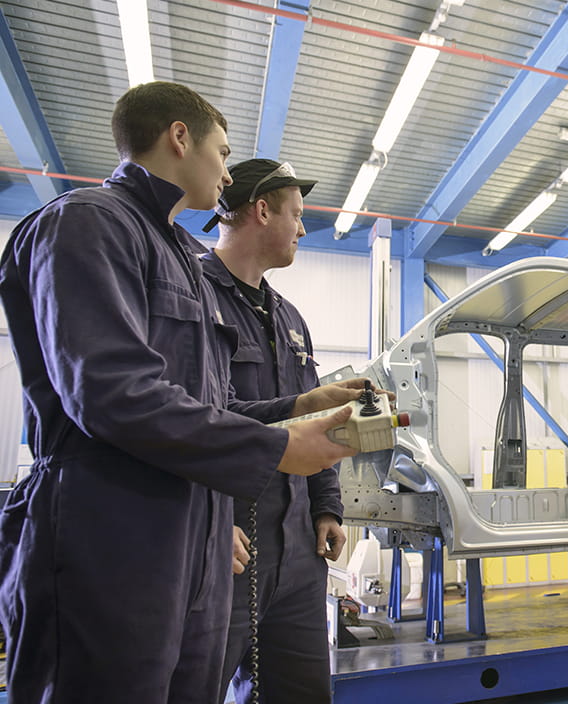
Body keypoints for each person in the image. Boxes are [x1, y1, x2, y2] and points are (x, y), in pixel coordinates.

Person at [0, 82, 361, 703]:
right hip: (108, 534)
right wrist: (273, 450)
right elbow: (111, 393)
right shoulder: (88, 223)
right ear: (180, 137)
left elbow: (207, 405)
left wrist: (295, 412)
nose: (226, 172)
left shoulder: (177, 253)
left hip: (190, 539)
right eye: (222, 152)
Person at [200, 159, 344, 703]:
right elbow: (191, 420)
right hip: (228, 540)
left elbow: (313, 426)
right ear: (262, 211)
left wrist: (326, 506)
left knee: (303, 690)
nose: (303, 229)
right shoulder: (195, 299)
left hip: (299, 546)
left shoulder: (290, 318)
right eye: (298, 215)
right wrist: (204, 522)